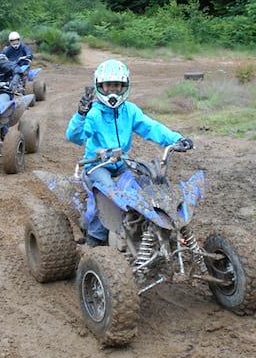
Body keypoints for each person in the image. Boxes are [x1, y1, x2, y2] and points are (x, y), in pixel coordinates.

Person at [66, 59, 193, 247]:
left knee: (142, 188)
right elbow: (75, 137)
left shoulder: (130, 111)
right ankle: (94, 240)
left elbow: (151, 127)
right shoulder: (94, 113)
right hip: (97, 165)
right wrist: (80, 115)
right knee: (108, 194)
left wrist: (176, 139)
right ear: (99, 87)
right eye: (108, 86)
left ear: (124, 86)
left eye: (117, 86)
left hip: (121, 162)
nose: (112, 91)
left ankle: (145, 230)